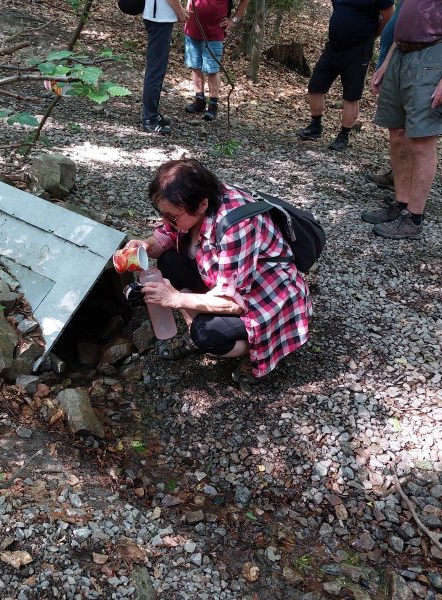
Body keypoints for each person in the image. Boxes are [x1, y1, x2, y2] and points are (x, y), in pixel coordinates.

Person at [124, 159, 312, 387]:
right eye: (161, 213)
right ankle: (199, 327)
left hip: (265, 297)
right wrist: (143, 246)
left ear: (202, 205)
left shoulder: (237, 226)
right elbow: (165, 236)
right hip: (224, 277)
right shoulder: (195, 199)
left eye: (171, 216)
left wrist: (174, 298)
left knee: (206, 335)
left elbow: (233, 302)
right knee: (169, 262)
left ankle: (255, 350)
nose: (166, 221)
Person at [362, 0, 442, 239]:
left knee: (421, 140)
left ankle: (413, 218)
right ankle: (401, 205)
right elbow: (404, 19)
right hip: (401, 53)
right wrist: (387, 62)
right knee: (397, 133)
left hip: (435, 54)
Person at [295, 0, 394, 151]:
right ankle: (315, 126)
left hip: (359, 50)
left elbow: (389, 16)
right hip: (333, 46)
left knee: (351, 95)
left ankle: (343, 135)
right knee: (315, 86)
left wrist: (371, 34)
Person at [183, 0, 250, 122]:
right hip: (192, 26)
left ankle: (213, 105)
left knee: (212, 69)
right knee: (195, 66)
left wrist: (234, 20)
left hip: (214, 31)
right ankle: (199, 100)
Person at [364, 0, 402, 190]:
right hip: (392, 60)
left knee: (409, 132)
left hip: (411, 63)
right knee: (396, 130)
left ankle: (407, 193)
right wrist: (384, 64)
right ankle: (396, 177)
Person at [142, 0, 190, 135]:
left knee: (157, 68)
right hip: (159, 18)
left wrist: (179, 11)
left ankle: (151, 114)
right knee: (155, 70)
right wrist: (180, 12)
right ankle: (149, 120)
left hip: (158, 16)